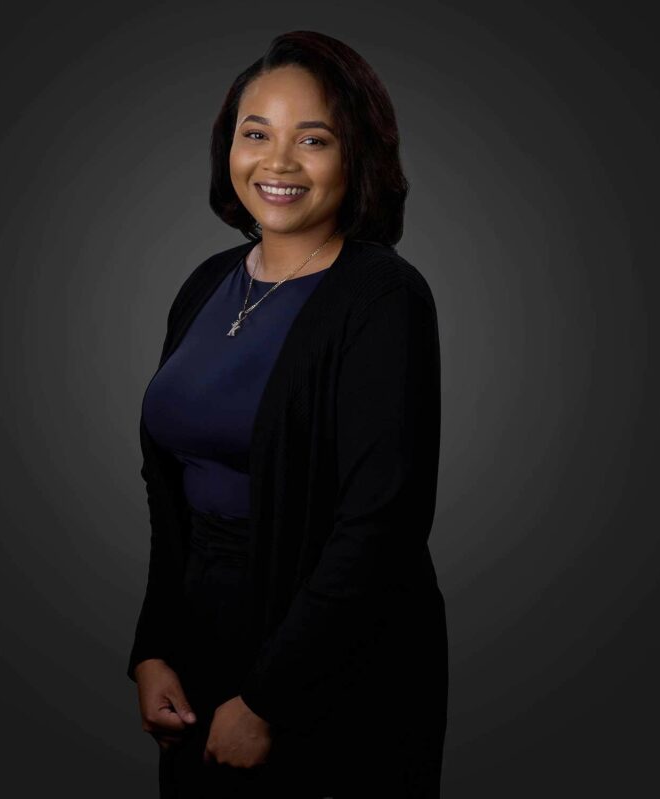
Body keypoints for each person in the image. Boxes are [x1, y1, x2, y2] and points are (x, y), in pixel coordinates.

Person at [127, 30, 448, 799]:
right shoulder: (207, 284)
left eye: (313, 138)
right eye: (256, 133)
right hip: (202, 644)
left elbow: (381, 521)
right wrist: (151, 648)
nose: (278, 163)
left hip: (335, 659)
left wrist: (270, 698)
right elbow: (168, 488)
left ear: (358, 154)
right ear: (228, 148)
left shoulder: (382, 297)